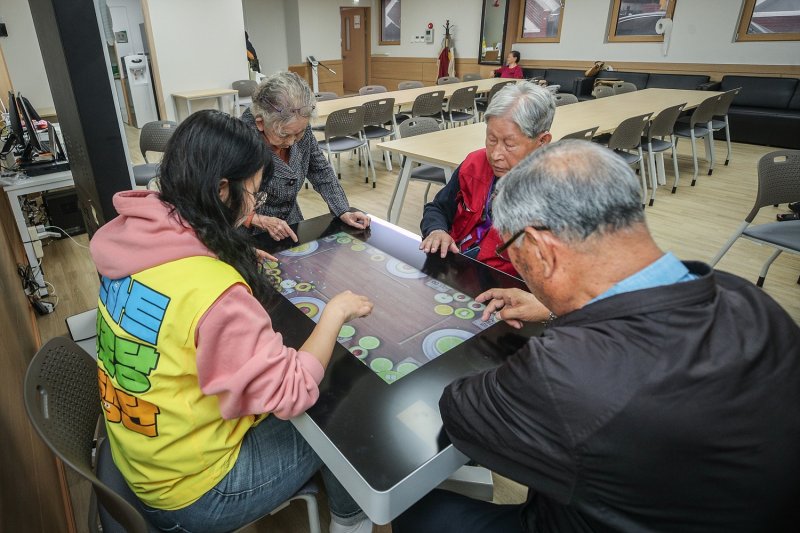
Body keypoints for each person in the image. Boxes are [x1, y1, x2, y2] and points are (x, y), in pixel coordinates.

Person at [395, 140, 800, 533]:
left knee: (409, 509)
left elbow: (461, 414)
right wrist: (555, 310)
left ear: (541, 249)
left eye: (512, 250)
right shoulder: (751, 300)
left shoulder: (565, 373)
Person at [91, 110, 375, 533]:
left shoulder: (131, 240)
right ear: (222, 190)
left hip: (139, 449)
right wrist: (334, 313)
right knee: (338, 406)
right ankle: (352, 522)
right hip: (195, 493)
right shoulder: (214, 293)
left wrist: (223, 249)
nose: (253, 207)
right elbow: (292, 391)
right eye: (254, 195)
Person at [419, 81, 554, 277]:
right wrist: (437, 230)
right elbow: (438, 207)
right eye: (491, 139)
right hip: (457, 268)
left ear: (542, 141)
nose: (495, 155)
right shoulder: (475, 163)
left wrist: (539, 303)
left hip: (503, 286)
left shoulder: (558, 191)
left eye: (509, 144)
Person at [240, 71, 370, 242]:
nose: (293, 141)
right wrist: (255, 219)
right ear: (260, 123)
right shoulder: (239, 138)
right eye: (284, 135)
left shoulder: (298, 124)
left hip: (291, 224)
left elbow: (320, 170)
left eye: (299, 133)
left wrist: (343, 210)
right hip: (250, 235)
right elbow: (219, 197)